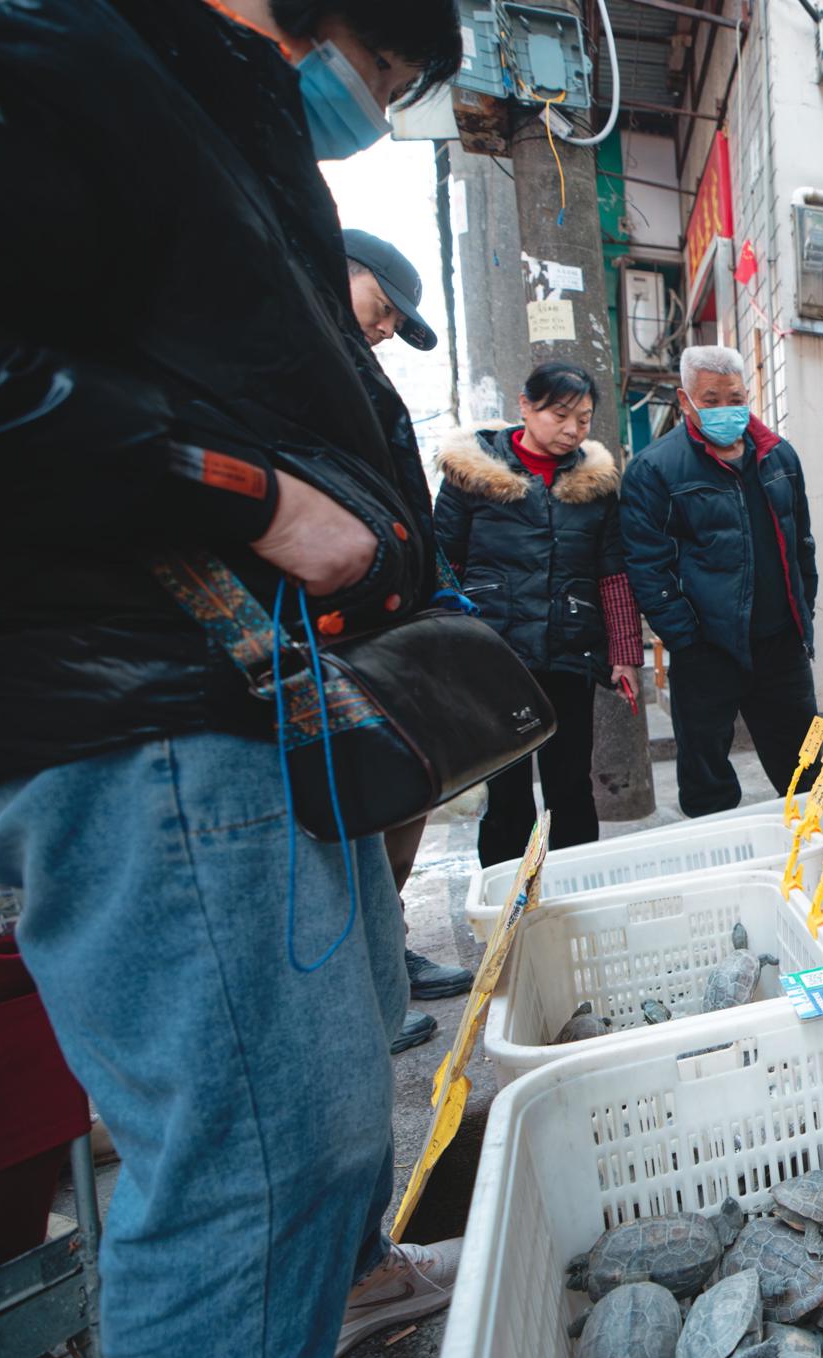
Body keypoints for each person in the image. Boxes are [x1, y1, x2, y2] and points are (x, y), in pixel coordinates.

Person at [0, 3, 467, 1358]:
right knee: (251, 1173)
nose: (368, 104)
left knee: (302, 1144)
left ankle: (342, 1293)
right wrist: (249, 497)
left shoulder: (206, 107)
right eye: (383, 73)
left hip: (227, 699)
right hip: (138, 699)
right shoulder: (70, 55)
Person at [340, 226, 474, 1046]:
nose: (386, 326)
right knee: (363, 803)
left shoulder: (357, 368)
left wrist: (438, 591)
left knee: (409, 794)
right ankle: (365, 986)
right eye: (382, 308)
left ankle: (387, 952)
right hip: (344, 636)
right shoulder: (295, 352)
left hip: (399, 618)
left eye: (393, 318)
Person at [435, 363, 643, 867]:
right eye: (560, 415)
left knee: (570, 783)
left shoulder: (595, 485)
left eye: (585, 419)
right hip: (495, 657)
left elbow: (612, 574)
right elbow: (444, 564)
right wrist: (448, 648)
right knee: (506, 791)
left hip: (569, 652)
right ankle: (509, 901)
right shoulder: (474, 476)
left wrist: (624, 655)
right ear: (525, 406)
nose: (573, 429)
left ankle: (576, 888)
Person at [620, 345, 819, 816]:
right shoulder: (655, 470)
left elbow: (802, 544)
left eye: (735, 397)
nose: (725, 409)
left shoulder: (779, 457)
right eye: (711, 400)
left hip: (780, 647)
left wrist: (801, 614)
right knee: (707, 782)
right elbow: (648, 566)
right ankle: (725, 874)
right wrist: (687, 638)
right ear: (684, 401)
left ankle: (817, 867)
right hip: (707, 651)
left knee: (808, 774)